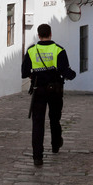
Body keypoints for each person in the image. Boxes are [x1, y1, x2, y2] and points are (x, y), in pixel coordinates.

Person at [22, 24, 76, 166]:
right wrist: (72, 75)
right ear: (50, 34)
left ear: (38, 35)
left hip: (38, 90)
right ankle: (55, 144)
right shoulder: (58, 50)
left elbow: (24, 72)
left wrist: (33, 76)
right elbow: (66, 72)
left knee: (38, 123)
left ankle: (37, 157)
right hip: (55, 90)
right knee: (54, 118)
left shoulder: (31, 50)